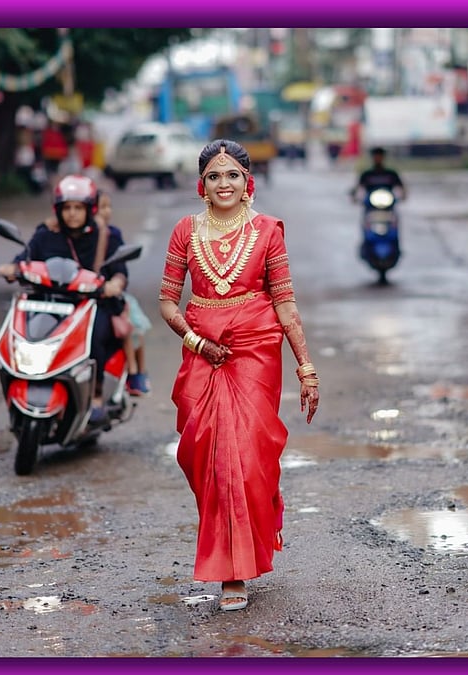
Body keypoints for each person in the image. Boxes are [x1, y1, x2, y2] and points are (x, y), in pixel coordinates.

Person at [158, 139, 321, 612]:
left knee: (247, 458)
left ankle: (234, 574)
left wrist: (305, 367)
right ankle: (229, 560)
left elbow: (285, 305)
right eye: (213, 176)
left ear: (248, 183)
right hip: (203, 355)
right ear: (201, 185)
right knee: (208, 458)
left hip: (254, 353)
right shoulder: (185, 231)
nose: (223, 183)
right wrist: (197, 342)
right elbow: (168, 301)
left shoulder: (268, 231)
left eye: (231, 175)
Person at [0, 175, 128, 423]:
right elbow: (25, 257)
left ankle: (96, 392)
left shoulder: (106, 236)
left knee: (95, 333)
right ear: (58, 209)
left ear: (90, 209)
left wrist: (115, 284)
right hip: (49, 302)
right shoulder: (46, 234)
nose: (72, 214)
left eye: (78, 208)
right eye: (67, 208)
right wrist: (11, 269)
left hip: (90, 304)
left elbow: (120, 271)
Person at [95, 191, 152, 396]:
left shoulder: (112, 235)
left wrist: (115, 284)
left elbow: (120, 270)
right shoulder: (75, 235)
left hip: (112, 295)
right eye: (101, 207)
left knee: (131, 328)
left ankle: (136, 373)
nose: (105, 212)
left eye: (108, 207)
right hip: (84, 295)